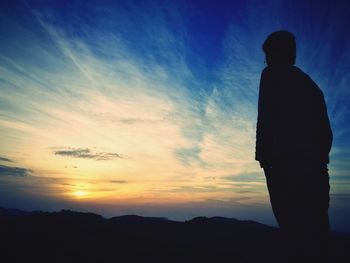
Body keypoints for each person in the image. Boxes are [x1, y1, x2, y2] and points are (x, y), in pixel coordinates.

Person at [255, 31, 333, 262]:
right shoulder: (312, 86)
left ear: (278, 52)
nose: (266, 60)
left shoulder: (271, 75)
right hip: (316, 171)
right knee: (317, 235)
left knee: (294, 235)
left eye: (268, 54)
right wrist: (318, 160)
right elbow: (326, 133)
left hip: (285, 167)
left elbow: (265, 117)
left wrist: (264, 157)